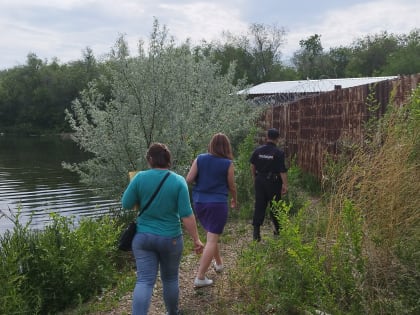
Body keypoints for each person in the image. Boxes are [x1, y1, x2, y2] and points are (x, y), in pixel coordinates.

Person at [121, 143, 204, 315]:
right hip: (170, 238)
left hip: (143, 238)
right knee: (170, 278)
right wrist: (196, 239)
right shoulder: (178, 181)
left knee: (144, 281)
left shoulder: (139, 178)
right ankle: (172, 312)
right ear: (168, 159)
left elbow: (126, 204)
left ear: (150, 159)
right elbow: (186, 215)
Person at [186, 133, 237, 288]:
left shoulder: (200, 158)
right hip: (217, 204)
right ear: (226, 146)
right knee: (212, 238)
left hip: (199, 202)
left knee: (211, 234)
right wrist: (235, 198)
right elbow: (231, 185)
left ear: (211, 145)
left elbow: (187, 180)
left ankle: (219, 264)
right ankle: (200, 277)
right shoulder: (228, 163)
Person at [249, 128, 288, 242]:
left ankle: (256, 233)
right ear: (277, 139)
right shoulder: (279, 153)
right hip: (273, 182)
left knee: (259, 205)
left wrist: (254, 177)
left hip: (260, 180)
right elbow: (282, 171)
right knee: (275, 206)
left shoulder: (258, 150)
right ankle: (278, 231)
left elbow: (252, 165)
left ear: (267, 137)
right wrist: (285, 185)